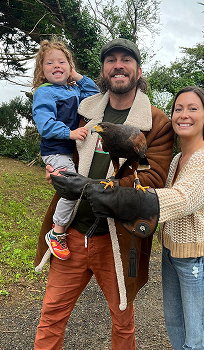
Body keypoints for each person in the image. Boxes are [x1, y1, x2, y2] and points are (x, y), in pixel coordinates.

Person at [34, 38, 174, 350]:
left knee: (123, 322)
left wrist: (91, 188)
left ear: (138, 70)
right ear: (103, 70)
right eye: (111, 60)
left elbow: (155, 179)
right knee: (51, 315)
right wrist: (54, 169)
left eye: (126, 60)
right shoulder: (86, 110)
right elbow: (63, 148)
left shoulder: (156, 122)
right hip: (71, 235)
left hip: (118, 238)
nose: (118, 65)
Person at [61, 86, 204, 350]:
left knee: (200, 340)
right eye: (178, 109)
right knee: (178, 330)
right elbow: (160, 190)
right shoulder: (178, 159)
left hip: (198, 262)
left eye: (193, 109)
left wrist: (109, 194)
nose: (183, 115)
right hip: (173, 255)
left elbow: (181, 200)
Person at [32, 39, 99, 260]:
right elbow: (45, 124)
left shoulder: (73, 90)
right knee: (73, 189)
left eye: (62, 62)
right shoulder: (45, 92)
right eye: (50, 63)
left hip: (71, 152)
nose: (57, 66)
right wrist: (69, 133)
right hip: (56, 151)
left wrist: (77, 76)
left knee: (75, 187)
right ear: (42, 71)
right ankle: (57, 232)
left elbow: (94, 95)